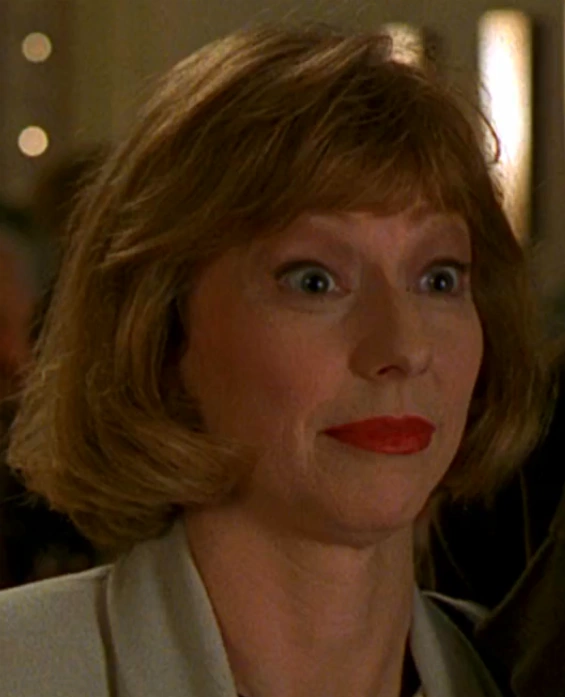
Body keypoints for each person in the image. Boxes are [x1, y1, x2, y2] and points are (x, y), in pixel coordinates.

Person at [0, 23, 551, 697]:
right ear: (162, 331)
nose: (403, 347)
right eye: (314, 281)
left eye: (438, 278)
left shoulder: (515, 677)